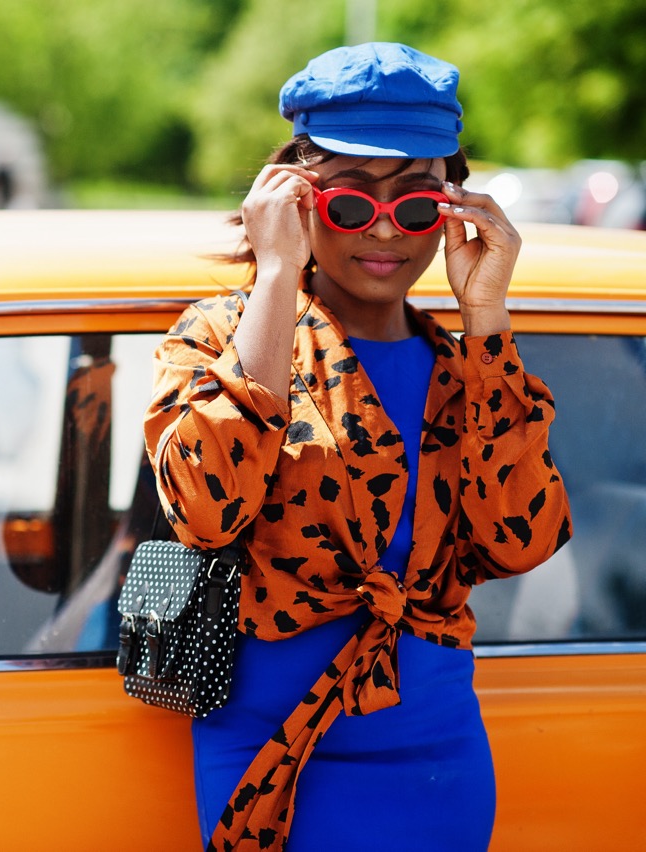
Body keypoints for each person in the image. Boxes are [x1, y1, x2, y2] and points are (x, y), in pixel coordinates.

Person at [144, 43, 572, 851]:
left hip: (436, 756)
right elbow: (205, 512)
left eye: (416, 207)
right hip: (274, 753)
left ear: (450, 210)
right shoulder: (217, 336)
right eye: (350, 203)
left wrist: (487, 315)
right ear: (297, 200)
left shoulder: (463, 366)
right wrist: (276, 278)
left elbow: (525, 540)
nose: (385, 231)